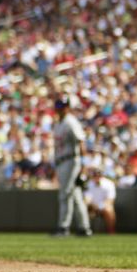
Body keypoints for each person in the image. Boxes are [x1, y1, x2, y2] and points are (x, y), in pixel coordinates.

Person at [51, 96, 92, 237]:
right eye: (58, 106)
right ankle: (84, 228)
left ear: (67, 107)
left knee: (65, 195)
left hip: (71, 160)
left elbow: (81, 142)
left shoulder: (71, 122)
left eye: (61, 107)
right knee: (76, 195)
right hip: (61, 161)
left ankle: (63, 227)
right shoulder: (58, 124)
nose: (59, 109)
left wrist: (84, 164)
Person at [84, 168, 117, 234]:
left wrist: (99, 206)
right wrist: (91, 206)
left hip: (104, 207)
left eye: (99, 175)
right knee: (83, 209)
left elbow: (110, 200)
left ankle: (111, 232)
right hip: (91, 206)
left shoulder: (109, 184)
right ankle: (84, 230)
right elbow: (87, 198)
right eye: (95, 175)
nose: (97, 177)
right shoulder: (88, 184)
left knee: (109, 210)